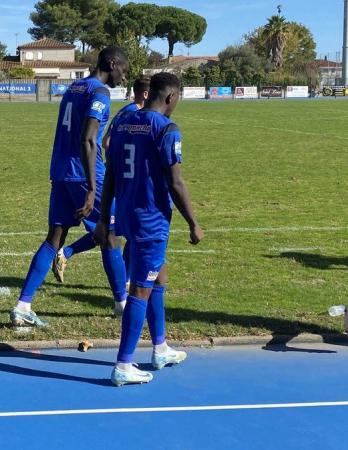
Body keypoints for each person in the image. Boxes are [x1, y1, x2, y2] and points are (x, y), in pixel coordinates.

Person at [96, 72, 204, 387]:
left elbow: (111, 173)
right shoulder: (166, 130)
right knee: (140, 289)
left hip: (126, 211)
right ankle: (123, 364)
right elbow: (175, 182)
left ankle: (160, 347)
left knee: (160, 275)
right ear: (171, 97)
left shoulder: (124, 122)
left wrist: (105, 217)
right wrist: (194, 222)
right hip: (151, 219)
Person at [10, 47, 130, 327]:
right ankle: (122, 305)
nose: (124, 76)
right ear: (111, 64)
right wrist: (91, 187)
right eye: (123, 69)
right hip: (86, 174)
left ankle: (23, 305)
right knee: (111, 235)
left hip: (60, 171)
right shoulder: (99, 92)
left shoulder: (73, 88)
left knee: (55, 237)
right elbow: (89, 139)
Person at [53, 76, 151, 288]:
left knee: (119, 227)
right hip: (127, 179)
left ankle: (70, 253)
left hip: (120, 177)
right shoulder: (134, 113)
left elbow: (106, 141)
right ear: (146, 94)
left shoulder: (128, 110)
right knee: (115, 228)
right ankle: (123, 283)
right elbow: (106, 142)